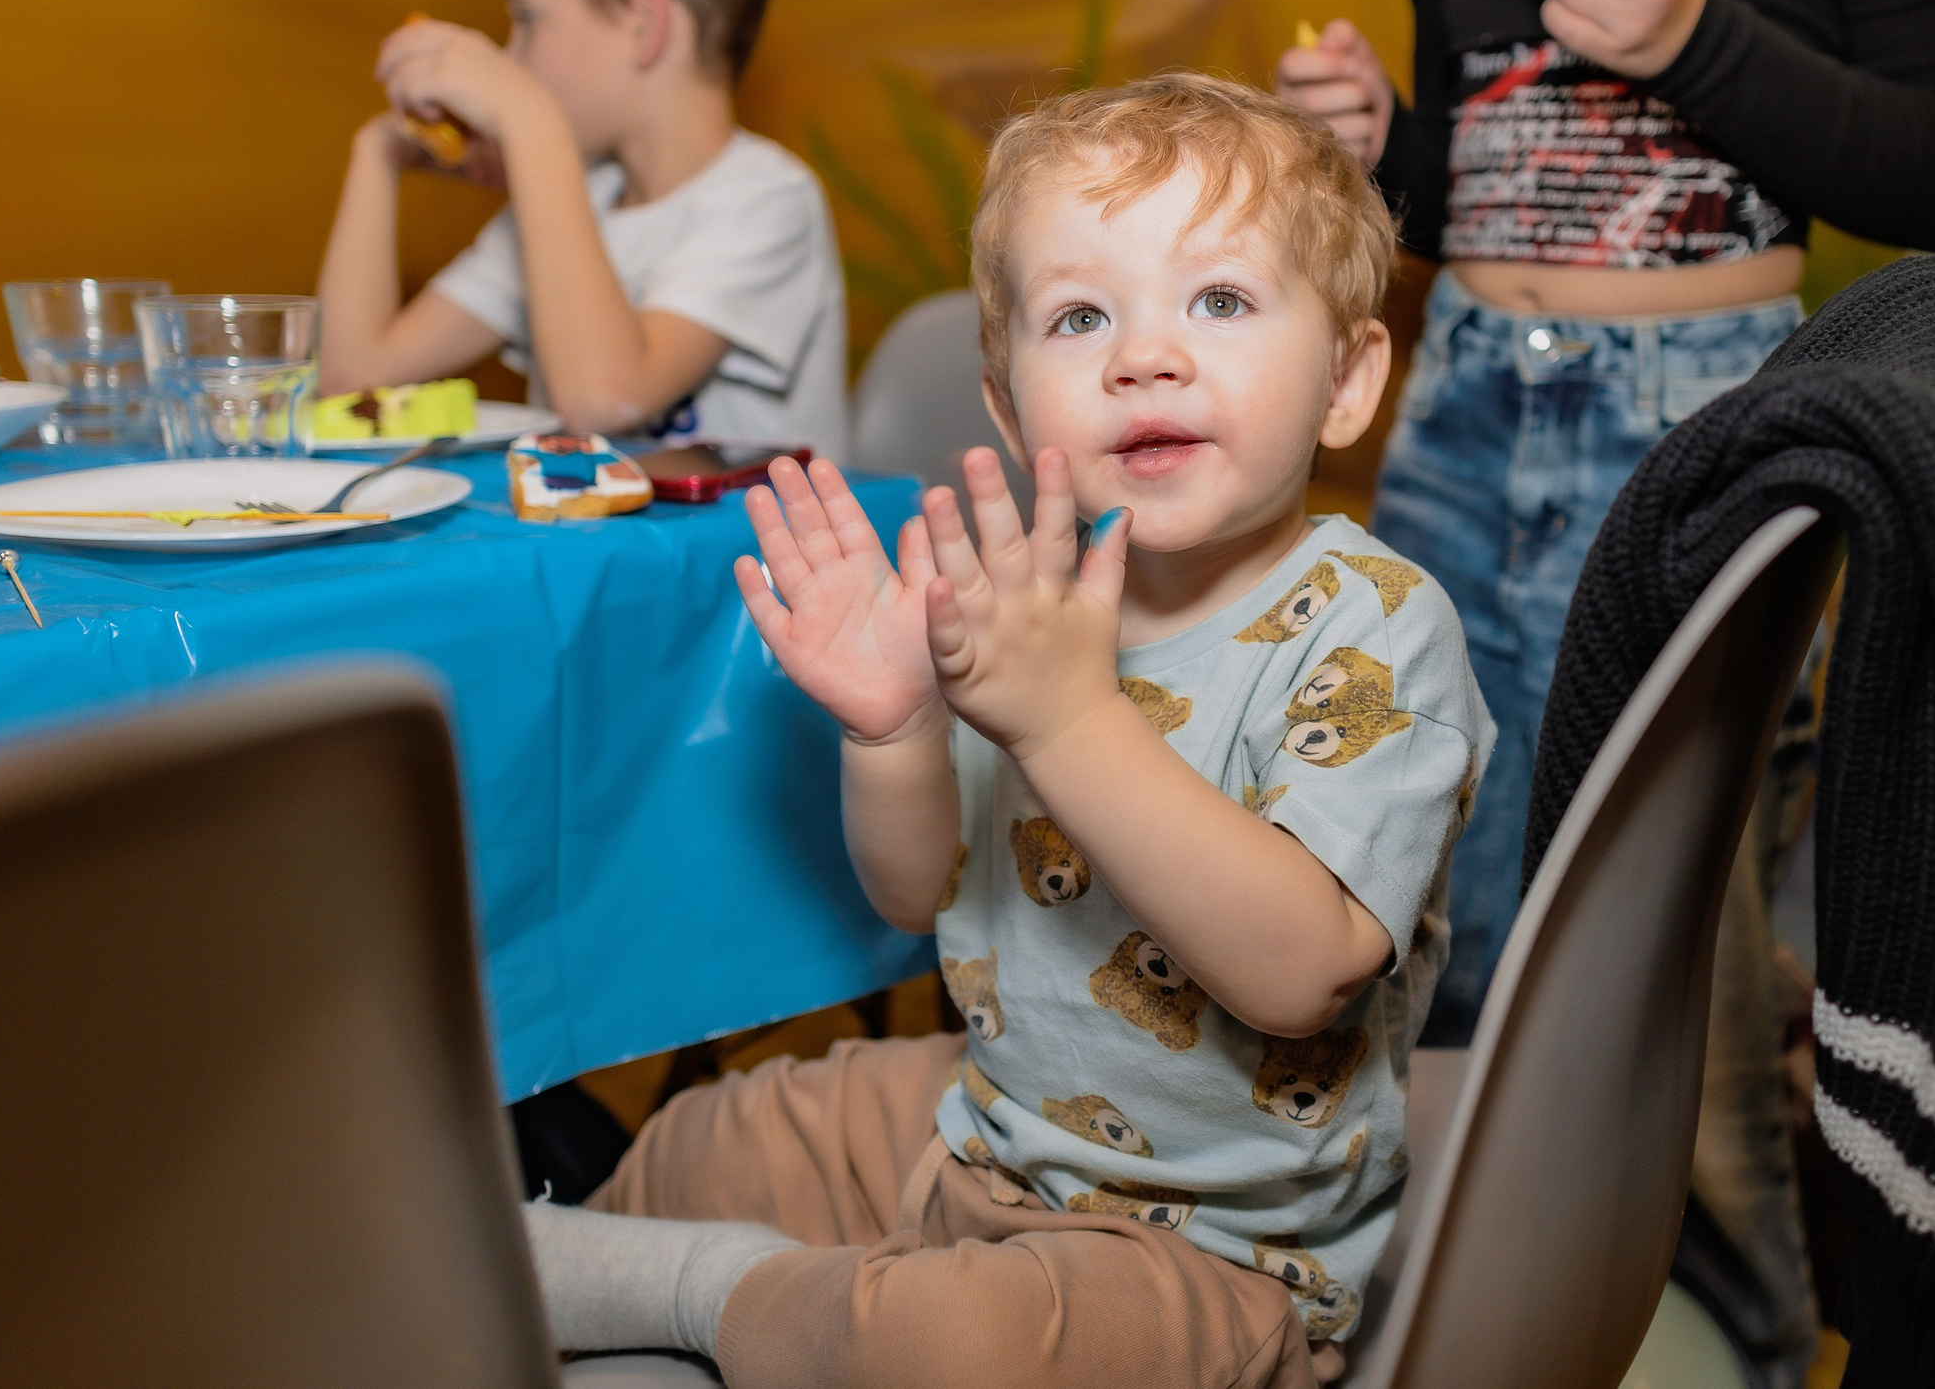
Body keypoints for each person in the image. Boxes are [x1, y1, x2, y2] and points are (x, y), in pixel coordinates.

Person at [520, 74, 1491, 1389]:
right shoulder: (1020, 607)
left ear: (1347, 376)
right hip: (986, 1126)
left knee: (946, 1337)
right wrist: (896, 728)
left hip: (1219, 1258)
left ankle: (713, 1294)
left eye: (1219, 299)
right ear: (1009, 403)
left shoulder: (1377, 625)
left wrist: (1071, 715)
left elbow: (1301, 967)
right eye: (1082, 314)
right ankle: (563, 1272)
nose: (1144, 353)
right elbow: (917, 888)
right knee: (716, 1126)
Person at [1277, 0, 1935, 1376]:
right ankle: (1449, 1326)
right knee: (1420, 889)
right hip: (1456, 408)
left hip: (1691, 425)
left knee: (1670, 945)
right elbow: (1456, 195)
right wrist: (1378, 156)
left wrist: (1697, 38)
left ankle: (1738, 1345)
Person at [314, 0, 847, 459]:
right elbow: (351, 385)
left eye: (527, 17)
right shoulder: (579, 197)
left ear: (644, 24)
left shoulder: (768, 201)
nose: (514, 59)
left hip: (748, 559)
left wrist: (529, 122)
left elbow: (606, 400)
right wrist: (378, 154)